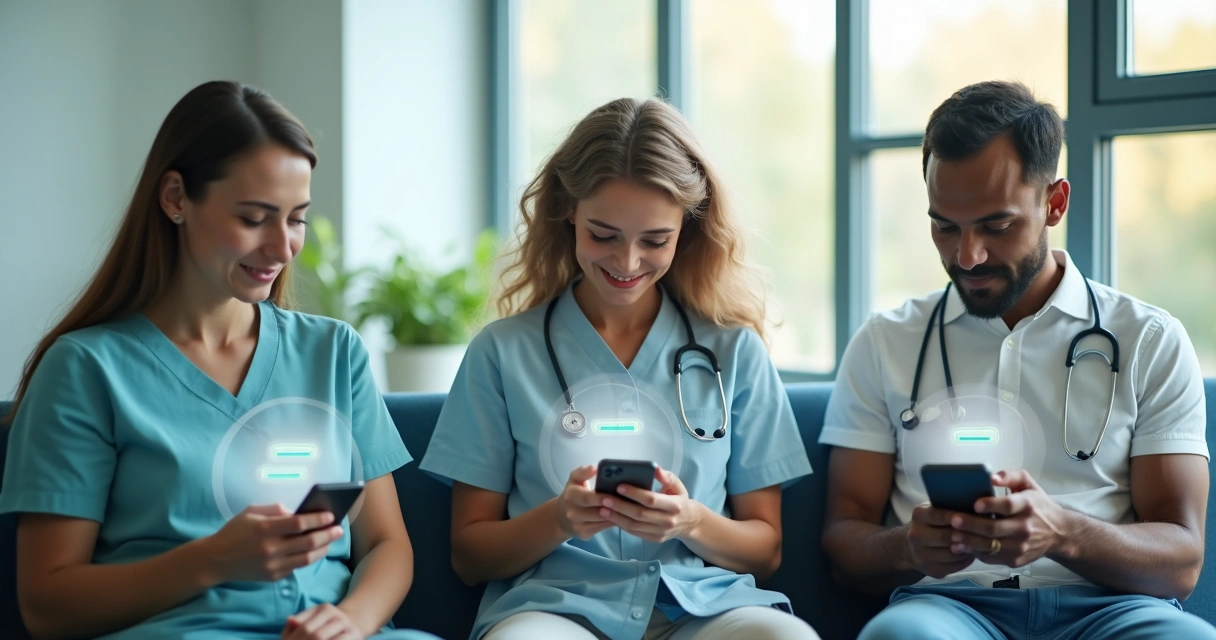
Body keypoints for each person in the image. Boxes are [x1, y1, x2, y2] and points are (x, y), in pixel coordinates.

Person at [0, 81, 437, 640]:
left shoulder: (334, 352)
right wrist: (213, 560)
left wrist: (351, 620)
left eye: (296, 218)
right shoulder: (86, 369)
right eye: (255, 218)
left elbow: (386, 544)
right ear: (176, 198)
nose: (283, 248)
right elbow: (48, 607)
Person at [819, 80, 1215, 639]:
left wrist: (1064, 533)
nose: (967, 256)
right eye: (944, 226)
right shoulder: (886, 341)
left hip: (1111, 609)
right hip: (949, 608)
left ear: (1054, 203)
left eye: (996, 226)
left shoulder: (1149, 339)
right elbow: (844, 542)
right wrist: (908, 547)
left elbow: (1182, 559)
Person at [419, 97, 819, 640]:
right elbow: (470, 555)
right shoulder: (501, 354)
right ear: (568, 213)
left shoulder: (734, 351)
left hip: (702, 609)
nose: (627, 263)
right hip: (555, 611)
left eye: (655, 241)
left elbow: (765, 550)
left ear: (689, 228)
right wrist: (560, 519)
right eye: (602, 235)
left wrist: (691, 520)